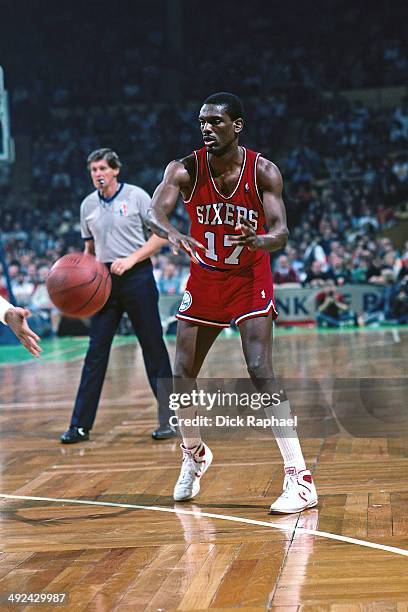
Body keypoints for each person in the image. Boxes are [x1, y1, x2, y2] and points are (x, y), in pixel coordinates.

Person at [149, 92, 318, 514]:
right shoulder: (184, 169)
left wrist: (260, 240)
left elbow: (281, 232)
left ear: (237, 125)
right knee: (180, 375)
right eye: (202, 122)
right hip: (205, 277)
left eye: (216, 122)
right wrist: (172, 233)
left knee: (260, 368)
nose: (206, 128)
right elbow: (153, 213)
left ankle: (300, 478)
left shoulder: (263, 171)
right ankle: (194, 454)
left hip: (248, 275)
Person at [60, 148, 176, 444]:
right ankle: (80, 426)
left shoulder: (137, 196)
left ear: (115, 170)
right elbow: (89, 250)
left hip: (137, 277)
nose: (97, 174)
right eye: (93, 170)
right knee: (95, 354)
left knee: (153, 348)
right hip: (104, 283)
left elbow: (160, 237)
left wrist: (132, 259)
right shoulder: (87, 205)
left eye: (102, 168)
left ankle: (171, 419)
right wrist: (82, 276)